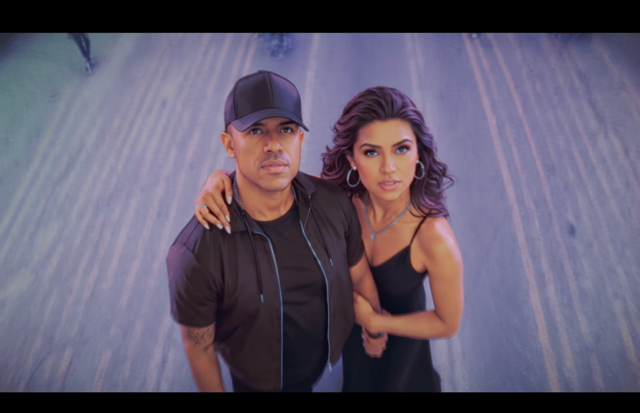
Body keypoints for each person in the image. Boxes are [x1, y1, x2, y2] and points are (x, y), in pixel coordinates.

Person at [195, 86, 464, 392]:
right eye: (371, 152)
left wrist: (377, 323)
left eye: (401, 149)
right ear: (352, 159)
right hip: (352, 338)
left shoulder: (434, 237)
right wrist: (218, 179)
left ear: (418, 154)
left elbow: (448, 323)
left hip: (403, 346)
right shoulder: (338, 199)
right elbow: (272, 181)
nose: (388, 168)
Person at [166, 70, 385, 393]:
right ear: (229, 144)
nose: (273, 144)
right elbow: (199, 347)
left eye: (286, 129)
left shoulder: (333, 203)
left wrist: (376, 329)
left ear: (300, 140)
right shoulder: (197, 253)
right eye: (256, 130)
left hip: (325, 362)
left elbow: (360, 274)